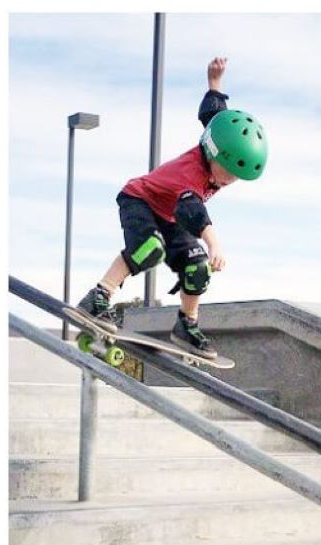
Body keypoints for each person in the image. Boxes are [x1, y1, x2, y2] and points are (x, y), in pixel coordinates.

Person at [76, 57, 268, 358]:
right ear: (213, 151)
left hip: (169, 214)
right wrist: (214, 242)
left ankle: (186, 326)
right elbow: (194, 212)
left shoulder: (216, 139)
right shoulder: (190, 174)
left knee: (198, 266)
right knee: (150, 249)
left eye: (237, 176)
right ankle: (99, 297)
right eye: (228, 171)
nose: (230, 180)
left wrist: (215, 84)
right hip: (138, 200)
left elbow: (214, 115)